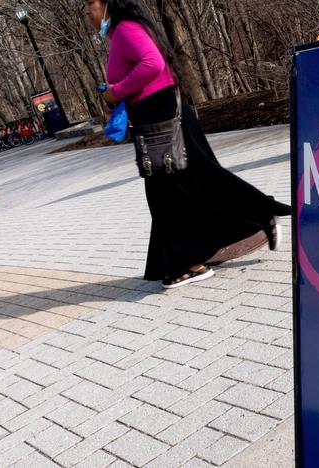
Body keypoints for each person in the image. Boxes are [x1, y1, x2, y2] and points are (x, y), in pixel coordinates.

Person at [84, 0, 290, 288]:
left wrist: (115, 92)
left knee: (171, 192)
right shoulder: (122, 32)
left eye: (90, 3)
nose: (87, 10)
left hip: (163, 117)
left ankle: (196, 261)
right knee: (194, 182)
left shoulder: (126, 29)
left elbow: (152, 64)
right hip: (161, 114)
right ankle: (252, 221)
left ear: (109, 3)